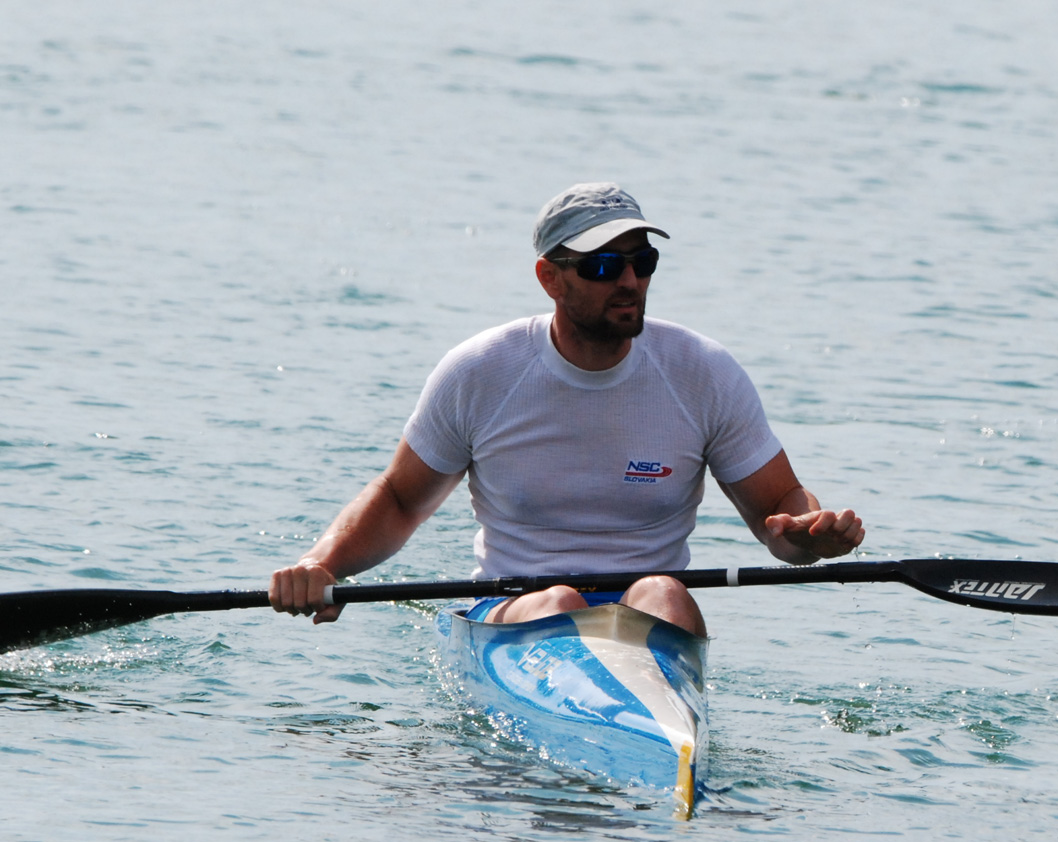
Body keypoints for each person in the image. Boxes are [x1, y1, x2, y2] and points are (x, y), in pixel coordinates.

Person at [269, 182, 863, 636]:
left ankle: (667, 739)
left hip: (646, 615)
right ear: (550, 278)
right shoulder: (482, 370)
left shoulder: (703, 372)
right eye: (604, 267)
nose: (629, 281)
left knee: (666, 593)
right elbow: (400, 500)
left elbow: (780, 517)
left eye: (643, 262)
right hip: (512, 610)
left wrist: (809, 535)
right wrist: (323, 565)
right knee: (559, 602)